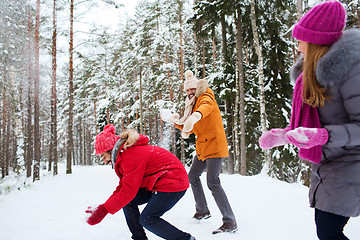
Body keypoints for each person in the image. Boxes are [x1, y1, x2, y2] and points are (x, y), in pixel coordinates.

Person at [259, 1, 360, 239]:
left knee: (328, 231)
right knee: (326, 229)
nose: (298, 45)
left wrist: (323, 136)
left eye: (301, 39)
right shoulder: (310, 76)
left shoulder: (351, 72)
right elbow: (316, 124)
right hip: (329, 163)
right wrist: (284, 135)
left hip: (351, 163)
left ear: (315, 41)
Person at [85, 124, 196, 240]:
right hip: (159, 183)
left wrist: (105, 209)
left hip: (173, 183)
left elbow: (128, 191)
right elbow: (124, 186)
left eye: (103, 156)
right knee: (127, 202)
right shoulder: (125, 155)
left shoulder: (130, 155)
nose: (104, 161)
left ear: (111, 149)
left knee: (148, 219)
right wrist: (104, 207)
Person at [164, 70, 237, 234]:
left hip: (215, 146)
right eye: (187, 90)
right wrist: (173, 120)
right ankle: (202, 210)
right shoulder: (191, 105)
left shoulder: (205, 97)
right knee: (193, 176)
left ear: (197, 88)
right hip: (203, 147)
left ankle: (230, 221)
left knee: (213, 182)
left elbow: (206, 108)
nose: (190, 93)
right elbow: (186, 125)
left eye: (192, 90)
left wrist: (196, 116)